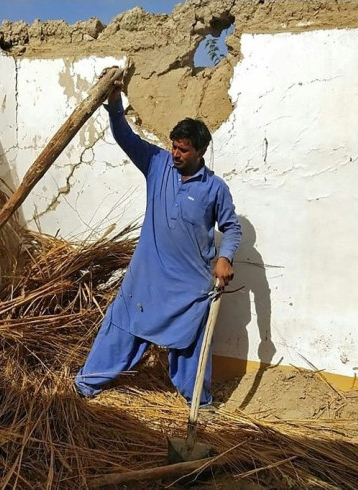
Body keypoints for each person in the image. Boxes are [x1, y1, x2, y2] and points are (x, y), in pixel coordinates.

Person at [74, 74, 242, 408]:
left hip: (189, 287)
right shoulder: (156, 164)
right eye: (173, 146)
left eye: (183, 149)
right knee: (120, 326)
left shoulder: (215, 188)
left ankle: (199, 402)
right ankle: (86, 385)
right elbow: (125, 135)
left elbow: (232, 228)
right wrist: (114, 101)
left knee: (191, 345)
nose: (175, 154)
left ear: (200, 151)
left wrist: (225, 257)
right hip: (147, 276)